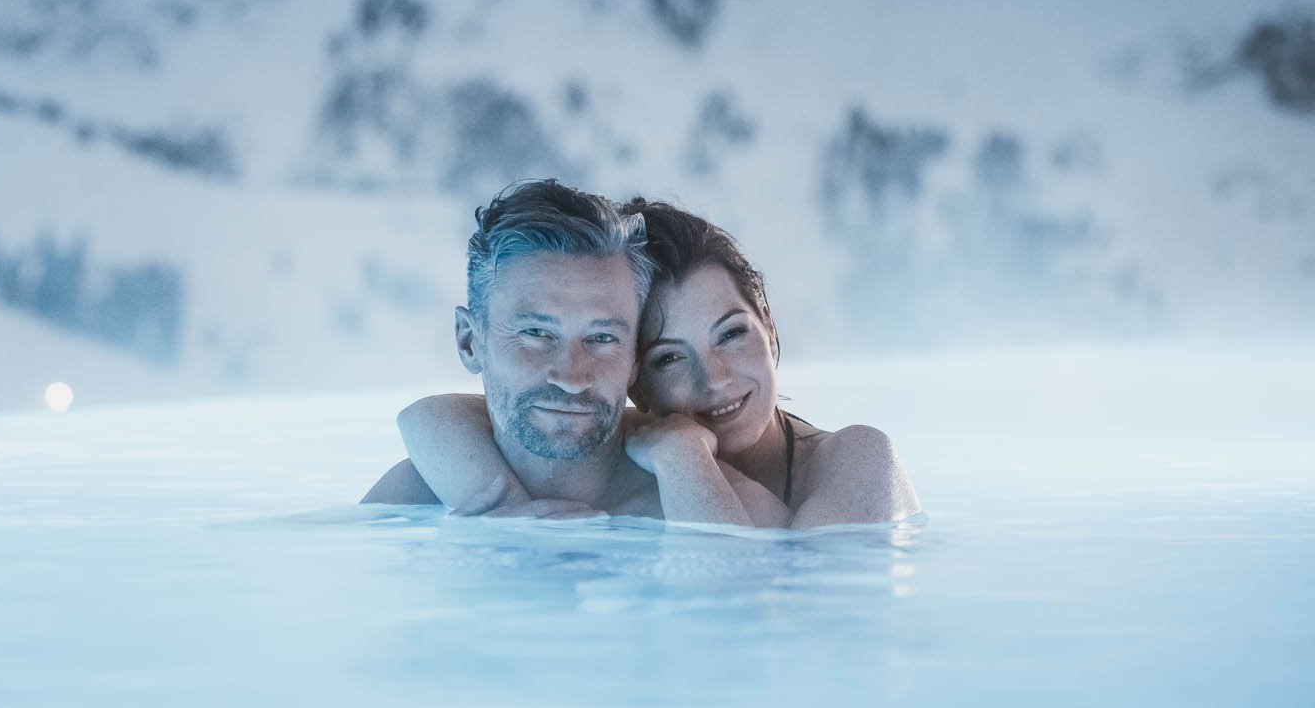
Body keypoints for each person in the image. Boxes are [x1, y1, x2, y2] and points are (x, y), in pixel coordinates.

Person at [387, 197, 920, 528]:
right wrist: (497, 505)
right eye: (669, 357)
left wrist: (684, 463)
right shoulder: (456, 465)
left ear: (772, 330)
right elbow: (443, 413)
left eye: (732, 334)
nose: (713, 379)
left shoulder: (854, 460)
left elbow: (803, 608)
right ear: (636, 380)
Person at [360, 180, 779, 521]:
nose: (572, 376)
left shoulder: (730, 510)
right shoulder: (409, 505)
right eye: (537, 334)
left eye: (601, 339)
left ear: (634, 358)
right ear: (469, 342)